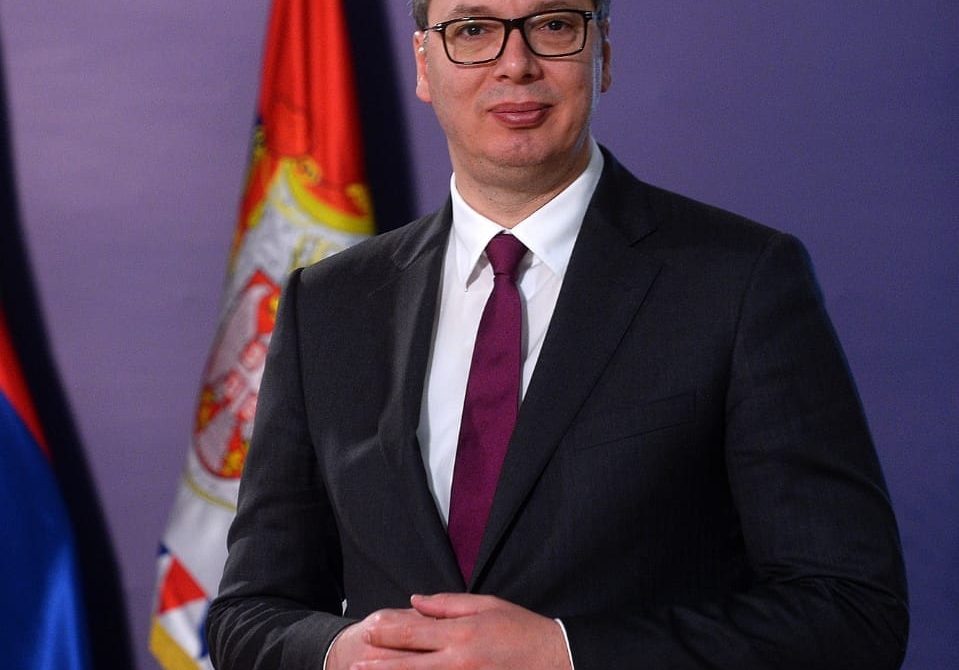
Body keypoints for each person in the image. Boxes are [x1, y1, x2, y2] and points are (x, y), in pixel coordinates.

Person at [207, 1, 909, 668]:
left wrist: (566, 655)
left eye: (552, 25)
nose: (515, 64)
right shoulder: (327, 304)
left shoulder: (739, 281)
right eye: (473, 29)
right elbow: (249, 613)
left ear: (603, 52)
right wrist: (341, 653)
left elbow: (851, 612)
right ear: (423, 63)